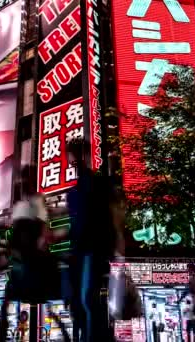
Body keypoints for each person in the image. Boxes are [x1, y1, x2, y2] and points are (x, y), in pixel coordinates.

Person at [0, 166, 69, 342]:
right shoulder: (32, 203)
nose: (23, 183)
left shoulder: (28, 204)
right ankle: (66, 330)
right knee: (50, 297)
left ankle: (1, 333)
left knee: (8, 301)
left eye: (24, 179)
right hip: (33, 266)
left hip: (27, 266)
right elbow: (44, 235)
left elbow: (36, 235)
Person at [67, 139, 121, 342]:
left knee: (88, 298)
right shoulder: (80, 187)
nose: (71, 162)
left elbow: (113, 212)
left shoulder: (92, 183)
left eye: (72, 157)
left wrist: (118, 240)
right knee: (85, 300)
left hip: (91, 248)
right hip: (84, 249)